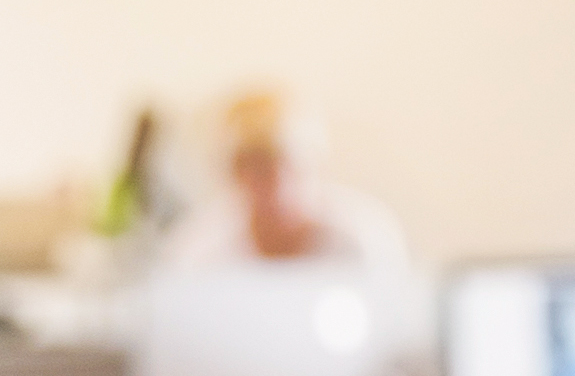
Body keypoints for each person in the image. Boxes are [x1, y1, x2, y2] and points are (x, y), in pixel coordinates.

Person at [163, 89, 415, 293]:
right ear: (232, 175)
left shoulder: (364, 237)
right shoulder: (198, 251)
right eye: (257, 167)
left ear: (316, 164)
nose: (278, 184)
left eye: (289, 165)